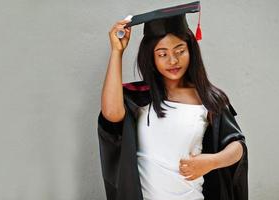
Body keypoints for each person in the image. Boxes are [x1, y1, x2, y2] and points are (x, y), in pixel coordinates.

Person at [97, 1, 248, 200]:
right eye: (163, 54)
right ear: (151, 57)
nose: (173, 61)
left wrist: (212, 161)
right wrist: (117, 52)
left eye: (179, 51)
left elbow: (237, 146)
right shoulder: (140, 97)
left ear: (191, 51)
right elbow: (111, 114)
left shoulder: (208, 99)